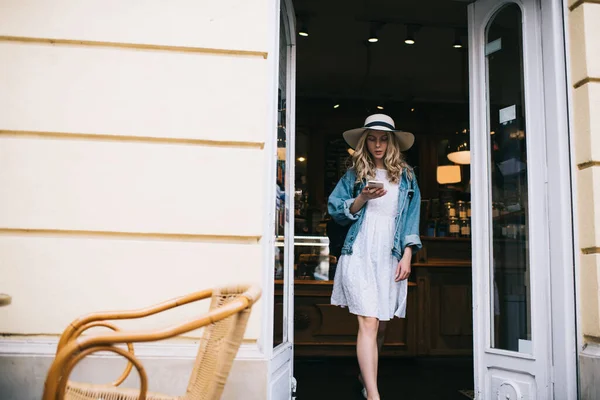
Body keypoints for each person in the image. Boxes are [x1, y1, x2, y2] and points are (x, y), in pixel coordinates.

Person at [328, 114, 422, 400]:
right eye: (372, 138)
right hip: (359, 250)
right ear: (364, 141)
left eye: (383, 139)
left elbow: (411, 219)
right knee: (368, 322)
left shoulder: (406, 176)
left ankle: (365, 376)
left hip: (389, 253)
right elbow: (335, 210)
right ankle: (373, 394)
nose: (377, 145)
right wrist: (363, 198)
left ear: (392, 142)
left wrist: (407, 255)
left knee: (381, 324)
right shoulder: (354, 174)